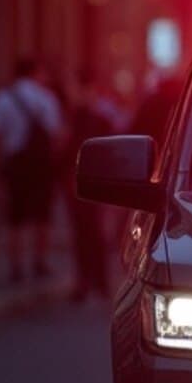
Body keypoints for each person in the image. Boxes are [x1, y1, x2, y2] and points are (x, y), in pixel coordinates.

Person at [0, 57, 63, 282]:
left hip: (15, 163)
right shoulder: (47, 99)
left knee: (15, 216)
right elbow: (56, 136)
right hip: (42, 165)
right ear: (36, 71)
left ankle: (16, 266)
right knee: (42, 215)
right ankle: (39, 261)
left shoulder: (2, 99)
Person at [66, 68, 124, 301]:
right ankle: (90, 281)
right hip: (80, 182)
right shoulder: (78, 116)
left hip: (93, 184)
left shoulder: (98, 117)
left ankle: (95, 282)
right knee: (85, 233)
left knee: (93, 233)